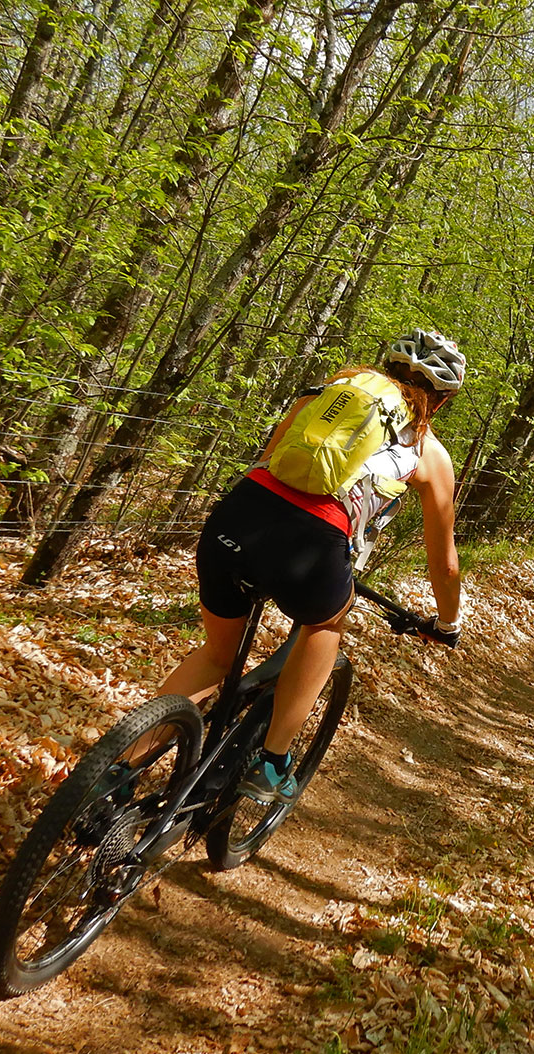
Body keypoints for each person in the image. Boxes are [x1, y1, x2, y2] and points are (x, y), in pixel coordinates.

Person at [157, 329, 467, 803]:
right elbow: (444, 565)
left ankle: (112, 771)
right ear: (440, 402)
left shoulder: (323, 400)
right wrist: (448, 623)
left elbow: (266, 464)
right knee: (326, 624)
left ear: (385, 368)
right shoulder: (428, 452)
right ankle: (274, 761)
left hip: (237, 517)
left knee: (217, 656)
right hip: (311, 546)